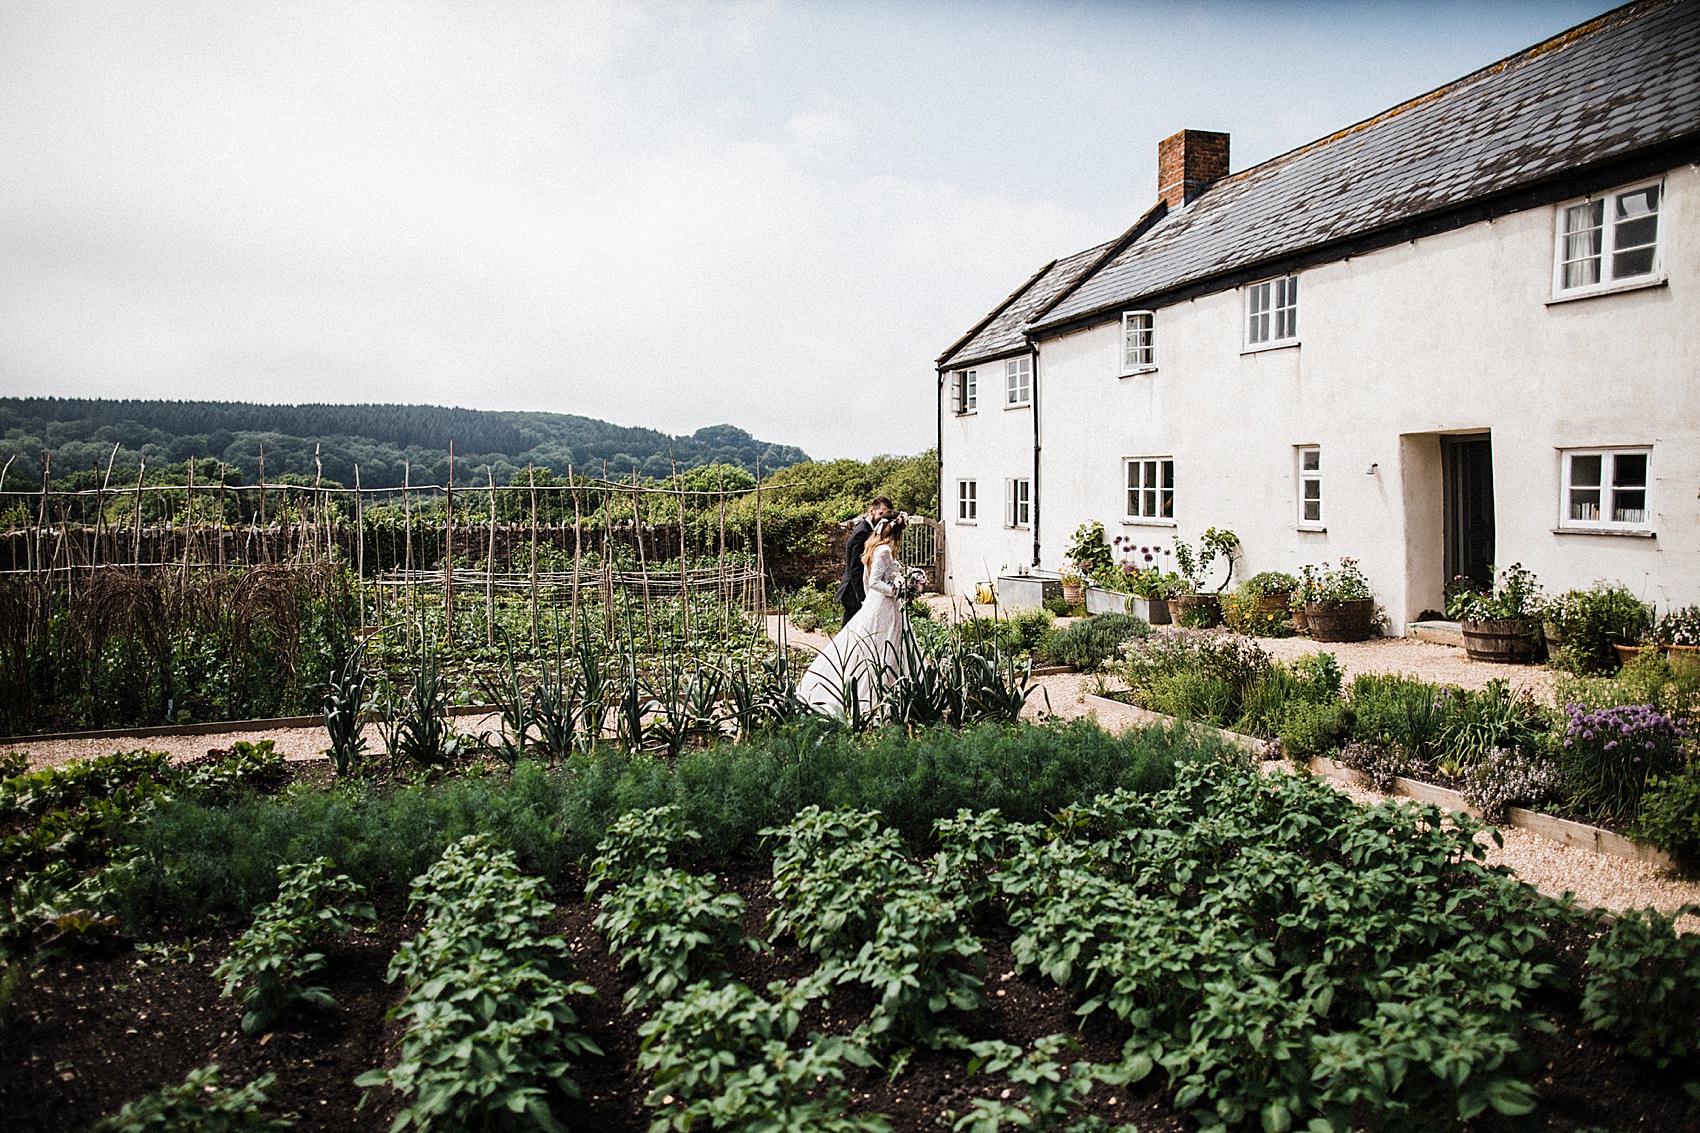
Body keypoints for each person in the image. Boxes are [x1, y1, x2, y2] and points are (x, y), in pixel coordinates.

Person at [799, 512, 908, 716]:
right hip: (885, 604)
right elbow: (874, 582)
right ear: (895, 533)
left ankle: (895, 688)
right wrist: (896, 590)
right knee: (881, 645)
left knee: (892, 643)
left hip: (884, 605)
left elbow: (870, 582)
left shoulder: (880, 549)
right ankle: (878, 693)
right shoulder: (884, 550)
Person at [837, 497, 895, 623]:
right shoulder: (862, 532)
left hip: (860, 591)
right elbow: (856, 568)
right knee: (850, 634)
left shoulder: (872, 531)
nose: (883, 518)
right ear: (871, 511)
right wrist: (863, 597)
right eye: (881, 513)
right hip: (854, 592)